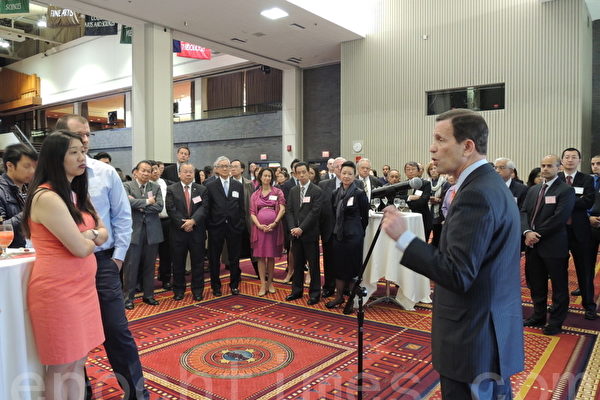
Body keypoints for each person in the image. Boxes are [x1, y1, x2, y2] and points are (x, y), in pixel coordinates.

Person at [382, 109, 524, 398]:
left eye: (440, 139)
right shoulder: (486, 184)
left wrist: (404, 237)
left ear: (467, 146)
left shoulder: (476, 194)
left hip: (473, 340)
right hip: (488, 330)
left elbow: (458, 274)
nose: (432, 148)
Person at [56, 115, 147, 400]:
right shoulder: (49, 180)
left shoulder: (104, 173)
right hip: (65, 267)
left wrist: (117, 259)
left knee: (116, 331)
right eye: (78, 135)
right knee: (73, 338)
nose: (85, 141)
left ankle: (136, 394)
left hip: (102, 262)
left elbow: (122, 217)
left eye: (87, 135)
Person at [24, 131, 109, 399]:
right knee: (61, 365)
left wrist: (89, 235)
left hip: (82, 288)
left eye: (82, 151)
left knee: (78, 362)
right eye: (73, 152)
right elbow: (79, 248)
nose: (82, 157)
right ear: (55, 158)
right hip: (59, 292)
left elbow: (104, 234)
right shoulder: (47, 197)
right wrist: (92, 236)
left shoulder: (75, 193)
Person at [521, 155, 576, 335]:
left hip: (553, 246)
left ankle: (555, 321)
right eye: (543, 165)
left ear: (559, 168)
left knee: (559, 287)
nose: (545, 169)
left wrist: (536, 234)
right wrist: (527, 231)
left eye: (549, 166)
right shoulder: (533, 189)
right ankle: (538, 315)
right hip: (532, 246)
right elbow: (523, 212)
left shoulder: (566, 190)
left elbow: (559, 218)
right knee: (536, 284)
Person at [557, 148, 597, 320]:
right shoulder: (556, 178)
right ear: (562, 160)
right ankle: (560, 304)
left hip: (580, 231)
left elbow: (588, 201)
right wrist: (574, 200)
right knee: (558, 270)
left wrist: (564, 201)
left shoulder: (587, 179)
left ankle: (589, 305)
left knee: (584, 269)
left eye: (574, 157)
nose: (570, 160)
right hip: (558, 232)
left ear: (579, 160)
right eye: (567, 157)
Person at [326, 160, 369, 308]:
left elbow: (365, 217)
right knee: (338, 267)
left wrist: (357, 231)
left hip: (354, 237)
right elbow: (333, 213)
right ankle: (339, 297)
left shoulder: (359, 193)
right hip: (338, 236)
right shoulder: (335, 193)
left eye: (350, 174)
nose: (346, 176)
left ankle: (351, 301)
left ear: (354, 175)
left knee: (352, 270)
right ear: (339, 173)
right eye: (344, 173)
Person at [122, 160, 164, 309]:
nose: (146, 173)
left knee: (150, 266)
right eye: (143, 170)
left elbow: (159, 206)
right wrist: (147, 201)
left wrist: (139, 205)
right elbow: (126, 203)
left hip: (152, 232)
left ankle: (149, 296)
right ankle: (128, 298)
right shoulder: (127, 186)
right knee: (131, 266)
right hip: (134, 231)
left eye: (149, 171)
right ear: (136, 172)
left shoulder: (156, 187)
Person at [166, 162, 208, 301]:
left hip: (197, 232)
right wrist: (184, 224)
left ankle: (197, 290)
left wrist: (193, 221)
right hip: (178, 232)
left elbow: (204, 207)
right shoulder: (172, 189)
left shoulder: (201, 189)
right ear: (179, 174)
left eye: (191, 172)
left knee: (198, 263)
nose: (188, 174)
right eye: (185, 171)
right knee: (178, 263)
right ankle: (178, 290)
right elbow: (171, 208)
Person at [205, 156, 246, 296]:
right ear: (216, 169)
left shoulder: (237, 185)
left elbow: (241, 207)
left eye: (227, 166)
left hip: (234, 227)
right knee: (214, 258)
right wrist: (210, 225)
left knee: (234, 258)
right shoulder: (210, 186)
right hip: (216, 227)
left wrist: (240, 223)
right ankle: (216, 286)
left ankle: (234, 285)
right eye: (221, 166)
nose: (225, 168)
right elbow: (207, 208)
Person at [285, 162, 323, 305]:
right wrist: (292, 228)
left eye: (304, 172)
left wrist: (301, 228)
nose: (301, 175)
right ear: (295, 174)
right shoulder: (293, 190)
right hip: (295, 234)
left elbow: (315, 212)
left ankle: (315, 293)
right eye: (298, 173)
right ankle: (296, 291)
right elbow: (289, 211)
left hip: (309, 234)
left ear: (308, 173)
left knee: (313, 265)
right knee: (298, 264)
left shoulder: (316, 190)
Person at [249, 167, 286, 295]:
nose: (267, 178)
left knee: (271, 256)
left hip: (273, 229)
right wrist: (259, 225)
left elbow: (282, 209)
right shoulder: (255, 194)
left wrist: (275, 222)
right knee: (260, 257)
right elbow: (252, 213)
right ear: (260, 177)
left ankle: (270, 282)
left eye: (269, 176)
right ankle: (262, 284)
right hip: (259, 229)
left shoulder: (277, 192)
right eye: (265, 175)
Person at [0, 143, 37, 248]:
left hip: (26, 250)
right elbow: (2, 228)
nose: (32, 171)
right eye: (27, 166)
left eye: (34, 167)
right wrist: (28, 212)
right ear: (10, 166)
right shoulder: (1, 190)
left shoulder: (29, 189)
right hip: (8, 254)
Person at [151, 161, 173, 290]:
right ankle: (145, 282)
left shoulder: (168, 183)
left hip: (167, 222)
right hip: (152, 222)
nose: (155, 171)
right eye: (152, 169)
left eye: (157, 169)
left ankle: (165, 279)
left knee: (166, 253)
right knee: (150, 253)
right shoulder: (145, 186)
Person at [425, 161, 446, 247]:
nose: (433, 170)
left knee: (437, 238)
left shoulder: (445, 182)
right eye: (431, 169)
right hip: (428, 212)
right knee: (426, 236)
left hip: (439, 214)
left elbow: (447, 199)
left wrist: (438, 200)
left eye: (435, 168)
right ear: (428, 171)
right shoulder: (426, 183)